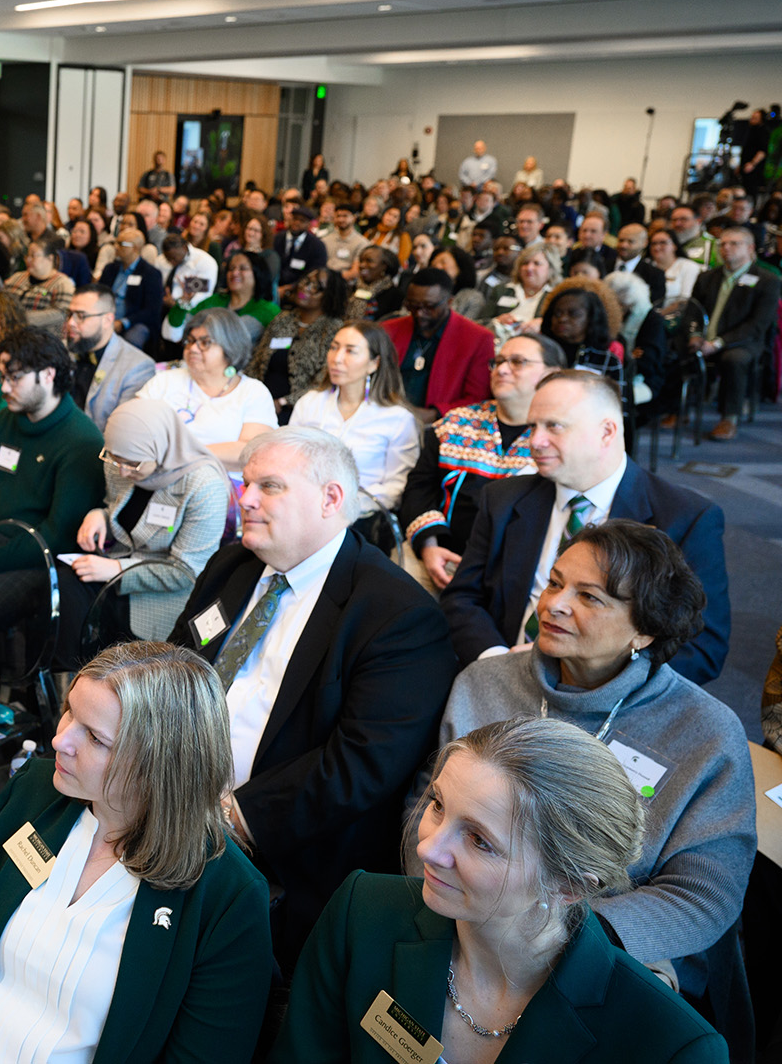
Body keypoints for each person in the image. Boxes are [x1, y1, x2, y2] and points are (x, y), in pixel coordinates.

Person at [272, 719, 727, 1064]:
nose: (428, 847)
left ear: (568, 884)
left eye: (479, 840)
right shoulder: (361, 914)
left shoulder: (671, 1045)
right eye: (437, 805)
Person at [0, 641, 270, 1063]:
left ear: (160, 766)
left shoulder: (229, 896)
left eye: (94, 737)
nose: (60, 739)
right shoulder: (35, 795)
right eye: (69, 711)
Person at [433, 522, 754, 994]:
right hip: (462, 918)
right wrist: (446, 900)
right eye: (556, 583)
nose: (554, 605)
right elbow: (427, 806)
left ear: (645, 631)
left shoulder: (705, 732)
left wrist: (549, 939)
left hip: (612, 949)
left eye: (590, 597)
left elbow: (704, 895)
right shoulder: (484, 683)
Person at [169, 427, 451, 961]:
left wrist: (228, 818)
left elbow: (360, 766)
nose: (245, 499)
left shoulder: (397, 614)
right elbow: (178, 665)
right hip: (172, 790)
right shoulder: (233, 566)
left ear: (331, 499)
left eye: (269, 487)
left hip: (279, 850)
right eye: (246, 484)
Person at [443, 370, 729, 685]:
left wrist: (585, 678)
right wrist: (496, 662)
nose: (534, 441)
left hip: (608, 701)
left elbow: (702, 650)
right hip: (500, 678)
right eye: (532, 426)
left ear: (607, 431)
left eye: (554, 426)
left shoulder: (684, 517)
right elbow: (462, 597)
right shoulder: (504, 498)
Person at [0, 327, 106, 668]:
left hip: (37, 560)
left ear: (48, 375)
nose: (4, 388)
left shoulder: (81, 441)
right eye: (2, 376)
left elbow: (54, 537)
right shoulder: (2, 423)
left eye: (14, 378)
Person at [401, 334, 564, 590]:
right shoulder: (455, 424)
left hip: (517, 572)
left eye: (518, 362)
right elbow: (419, 489)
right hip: (441, 557)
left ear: (552, 374)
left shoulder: (559, 439)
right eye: (497, 361)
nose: (501, 369)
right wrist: (429, 546)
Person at [67, 397, 231, 646]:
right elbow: (123, 515)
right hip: (110, 585)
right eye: (114, 458)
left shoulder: (204, 487)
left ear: (161, 446)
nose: (122, 471)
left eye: (133, 463)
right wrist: (100, 516)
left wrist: (119, 570)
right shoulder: (119, 462)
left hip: (161, 603)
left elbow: (186, 572)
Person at [289, 322, 421, 532]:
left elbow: (396, 486)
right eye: (334, 347)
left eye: (351, 351)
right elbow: (289, 459)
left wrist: (345, 508)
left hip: (361, 520)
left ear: (374, 363)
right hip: (301, 511)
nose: (337, 358)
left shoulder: (396, 419)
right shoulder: (310, 403)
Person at [144, 309, 278, 466]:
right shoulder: (164, 381)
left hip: (222, 482)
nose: (193, 348)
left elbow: (251, 450)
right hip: (159, 474)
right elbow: (133, 424)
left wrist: (182, 454)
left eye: (205, 342)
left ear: (230, 346)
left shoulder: (253, 392)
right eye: (190, 340)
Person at [690, 223, 780, 441]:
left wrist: (719, 342)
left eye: (734, 244)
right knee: (677, 348)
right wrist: (694, 334)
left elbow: (757, 324)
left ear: (750, 248)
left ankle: (729, 417)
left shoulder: (768, 281)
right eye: (722, 244)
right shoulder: (707, 277)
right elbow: (692, 311)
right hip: (705, 337)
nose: (726, 248)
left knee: (734, 359)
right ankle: (675, 408)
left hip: (743, 341)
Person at [381, 267, 496, 424]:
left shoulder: (478, 339)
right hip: (385, 415)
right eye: (413, 306)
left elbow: (478, 399)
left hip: (441, 424)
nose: (420, 313)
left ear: (449, 302)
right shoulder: (389, 329)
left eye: (429, 307)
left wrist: (435, 414)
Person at [247, 266, 350, 418]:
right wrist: (248, 392)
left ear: (329, 296)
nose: (305, 287)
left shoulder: (333, 330)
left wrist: (283, 402)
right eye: (306, 281)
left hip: (299, 410)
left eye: (316, 287)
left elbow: (324, 381)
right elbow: (256, 361)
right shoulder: (283, 319)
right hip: (260, 401)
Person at [66, 283, 157, 431]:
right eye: (70, 314)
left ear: (108, 320)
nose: (71, 323)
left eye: (81, 316)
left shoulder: (137, 367)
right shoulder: (66, 349)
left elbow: (122, 432)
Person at [100, 227, 165, 348]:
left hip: (135, 322)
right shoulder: (110, 269)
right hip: (107, 317)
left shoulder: (150, 274)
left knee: (132, 339)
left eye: (121, 244)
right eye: (115, 242)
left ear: (135, 248)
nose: (116, 247)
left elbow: (151, 310)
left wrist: (123, 323)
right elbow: (99, 295)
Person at [485, 243, 559, 342]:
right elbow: (479, 322)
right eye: (525, 263)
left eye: (536, 263)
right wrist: (496, 321)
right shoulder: (501, 290)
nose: (529, 268)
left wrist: (543, 325)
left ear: (551, 269)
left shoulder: (555, 296)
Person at [192, 249, 279, 333]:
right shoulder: (213, 300)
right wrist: (184, 301)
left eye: (243, 268)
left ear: (258, 273)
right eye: (231, 268)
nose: (234, 273)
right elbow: (184, 325)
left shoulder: (268, 310)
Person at [275, 201, 329, 288]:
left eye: (302, 221)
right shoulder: (277, 239)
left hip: (301, 291)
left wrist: (290, 288)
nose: (296, 223)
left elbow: (316, 274)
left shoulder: (317, 246)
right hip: (274, 287)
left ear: (308, 224)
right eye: (295, 218)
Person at [650, 227, 703, 310]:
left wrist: (658, 316)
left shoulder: (688, 266)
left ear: (674, 245)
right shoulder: (647, 265)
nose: (657, 247)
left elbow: (685, 300)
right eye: (653, 243)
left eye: (663, 243)